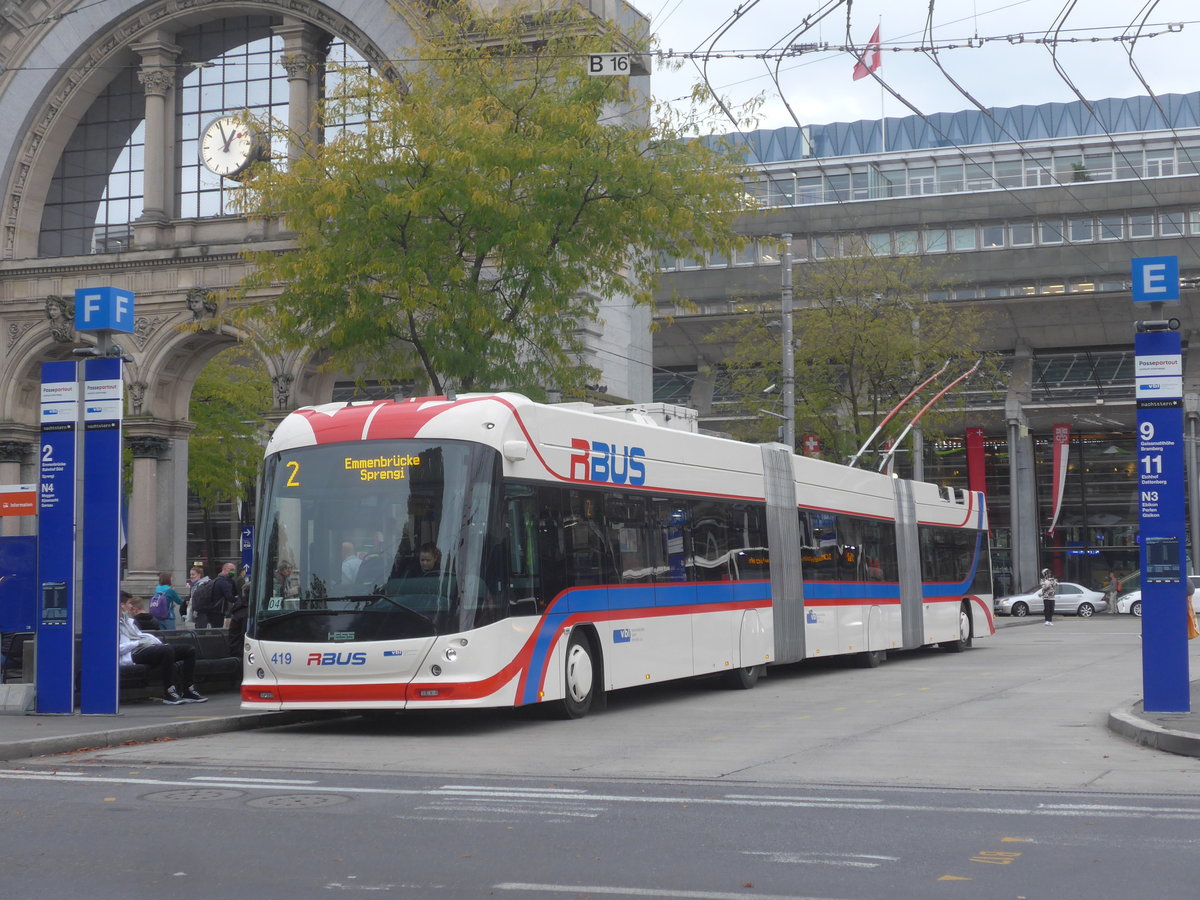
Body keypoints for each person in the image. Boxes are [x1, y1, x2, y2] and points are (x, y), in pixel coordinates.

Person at [118, 591, 207, 705]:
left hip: (144, 648)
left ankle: (188, 689)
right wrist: (137, 643)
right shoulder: (113, 624)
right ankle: (169, 691)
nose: (131, 606)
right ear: (122, 605)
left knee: (188, 650)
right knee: (166, 650)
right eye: (129, 603)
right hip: (132, 654)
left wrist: (151, 641)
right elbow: (116, 649)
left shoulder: (129, 622)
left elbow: (139, 635)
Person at [211, 562, 238, 628]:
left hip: (215, 609)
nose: (233, 572)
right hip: (218, 610)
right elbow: (230, 597)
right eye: (231, 570)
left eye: (234, 570)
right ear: (224, 569)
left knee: (216, 628)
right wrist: (239, 600)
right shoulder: (223, 582)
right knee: (218, 629)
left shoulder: (219, 579)